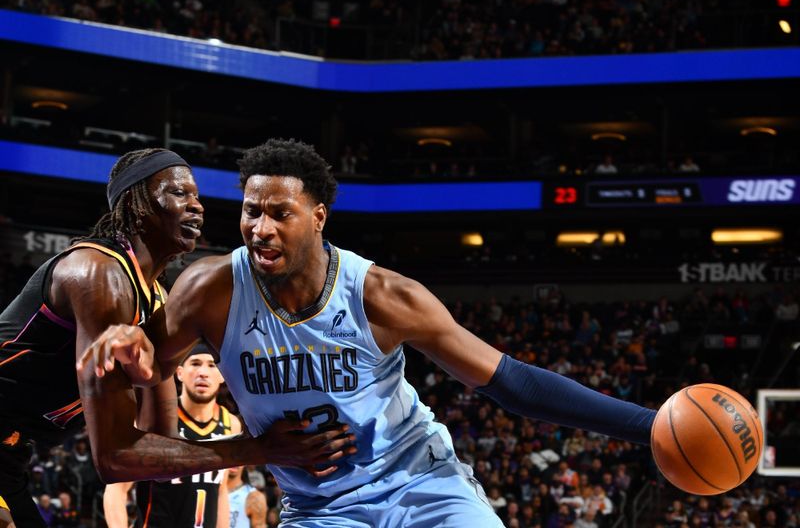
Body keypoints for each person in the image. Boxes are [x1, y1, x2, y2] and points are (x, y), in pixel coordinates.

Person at [83, 139, 656, 527]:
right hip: (318, 507)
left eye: (280, 213)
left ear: (318, 217)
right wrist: (127, 343)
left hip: (420, 485)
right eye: (250, 210)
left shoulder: (383, 295)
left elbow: (511, 384)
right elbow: (137, 372)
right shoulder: (211, 289)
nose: (260, 228)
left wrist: (649, 427)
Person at [0, 148, 351, 527]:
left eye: (196, 196)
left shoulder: (157, 301)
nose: (197, 206)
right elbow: (114, 458)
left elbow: (155, 448)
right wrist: (260, 449)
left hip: (11, 463)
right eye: (178, 194)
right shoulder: (98, 275)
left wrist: (148, 372)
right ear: (135, 204)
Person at [104, 345, 241, 527]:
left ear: (223, 375)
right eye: (195, 363)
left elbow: (222, 490)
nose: (203, 373)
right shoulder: (155, 419)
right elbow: (116, 489)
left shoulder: (231, 425)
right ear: (179, 373)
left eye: (211, 365)